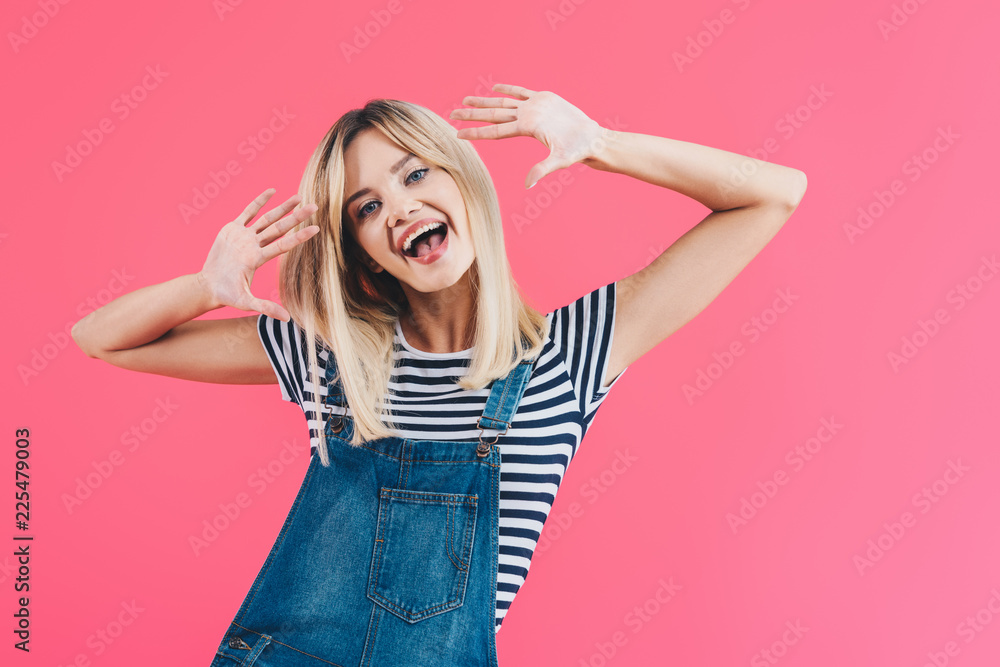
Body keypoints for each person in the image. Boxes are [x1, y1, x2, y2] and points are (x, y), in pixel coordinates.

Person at [71, 83, 807, 666]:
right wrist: (205, 286)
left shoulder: (568, 355)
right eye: (367, 207)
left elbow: (773, 193)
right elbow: (101, 340)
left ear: (463, 181)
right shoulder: (333, 355)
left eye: (416, 173)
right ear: (361, 251)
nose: (400, 208)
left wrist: (599, 143)